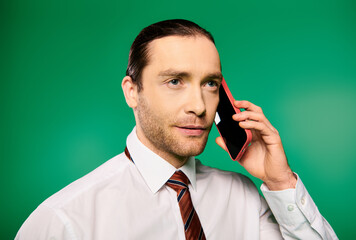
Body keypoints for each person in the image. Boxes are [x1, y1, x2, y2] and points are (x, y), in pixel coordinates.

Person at [15, 19, 338, 240]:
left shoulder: (242, 197)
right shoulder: (65, 219)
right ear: (132, 92)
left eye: (210, 84)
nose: (198, 105)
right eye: (175, 81)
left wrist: (279, 182)